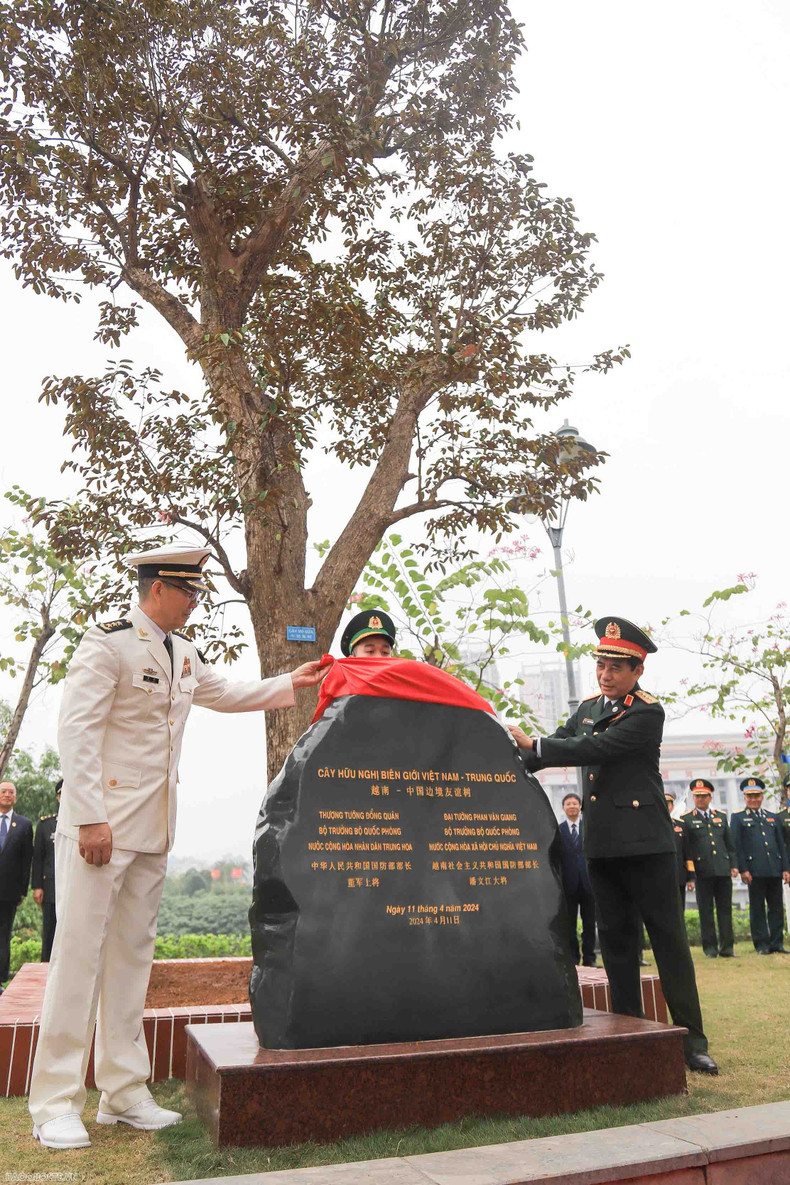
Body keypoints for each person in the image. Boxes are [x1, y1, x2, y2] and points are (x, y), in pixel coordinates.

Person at [29, 544, 328, 1150]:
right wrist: (89, 818)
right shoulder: (107, 644)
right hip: (99, 830)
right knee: (78, 960)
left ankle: (123, 1092)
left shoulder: (183, 654)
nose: (194, 602)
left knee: (130, 961)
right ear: (157, 588)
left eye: (196, 592)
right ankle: (54, 1103)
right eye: (187, 591)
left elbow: (226, 693)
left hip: (152, 831)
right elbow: (77, 731)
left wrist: (288, 683)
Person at [508, 616, 718, 1075]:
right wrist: (507, 755)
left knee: (669, 943)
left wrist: (538, 746)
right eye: (601, 666)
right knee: (617, 946)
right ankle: (631, 1035)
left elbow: (593, 748)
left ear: (637, 671)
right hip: (602, 847)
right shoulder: (588, 708)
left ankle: (692, 1041)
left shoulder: (646, 713)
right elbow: (559, 743)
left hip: (647, 847)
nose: (605, 675)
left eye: (616, 668)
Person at [730, 777, 790, 955]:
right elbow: (737, 846)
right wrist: (743, 869)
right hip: (754, 871)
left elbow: (780, 845)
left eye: (756, 796)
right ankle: (762, 944)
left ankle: (777, 943)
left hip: (774, 868)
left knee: (776, 907)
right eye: (750, 796)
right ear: (745, 798)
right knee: (757, 909)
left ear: (762, 797)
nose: (754, 799)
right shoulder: (738, 817)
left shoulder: (772, 817)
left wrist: (785, 868)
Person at [682, 779, 738, 959]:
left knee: (725, 910)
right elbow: (687, 850)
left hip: (722, 869)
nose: (700, 799)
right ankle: (710, 949)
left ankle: (727, 948)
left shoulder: (720, 816)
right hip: (702, 871)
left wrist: (734, 865)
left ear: (710, 797)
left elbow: (730, 844)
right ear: (693, 798)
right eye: (697, 796)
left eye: (704, 796)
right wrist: (691, 875)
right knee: (706, 911)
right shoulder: (687, 819)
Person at [0, 780, 34, 994]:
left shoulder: (24, 824)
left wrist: (23, 890)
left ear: (16, 797)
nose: (7, 794)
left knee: (3, 936)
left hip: (9, 891)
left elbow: (26, 860)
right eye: (3, 791)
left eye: (11, 792)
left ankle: (0, 979)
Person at [557, 792, 597, 967]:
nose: (572, 806)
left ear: (580, 807)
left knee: (589, 924)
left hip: (588, 884)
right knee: (569, 924)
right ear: (563, 808)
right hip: (568, 885)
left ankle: (589, 958)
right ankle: (573, 957)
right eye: (568, 804)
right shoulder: (558, 830)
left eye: (575, 803)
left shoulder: (589, 828)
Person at [32, 780, 61, 962]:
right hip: (51, 886)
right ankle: (46, 968)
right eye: (61, 794)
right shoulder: (46, 824)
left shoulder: (84, 824)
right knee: (49, 930)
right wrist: (37, 886)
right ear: (58, 798)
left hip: (76, 887)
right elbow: (38, 857)